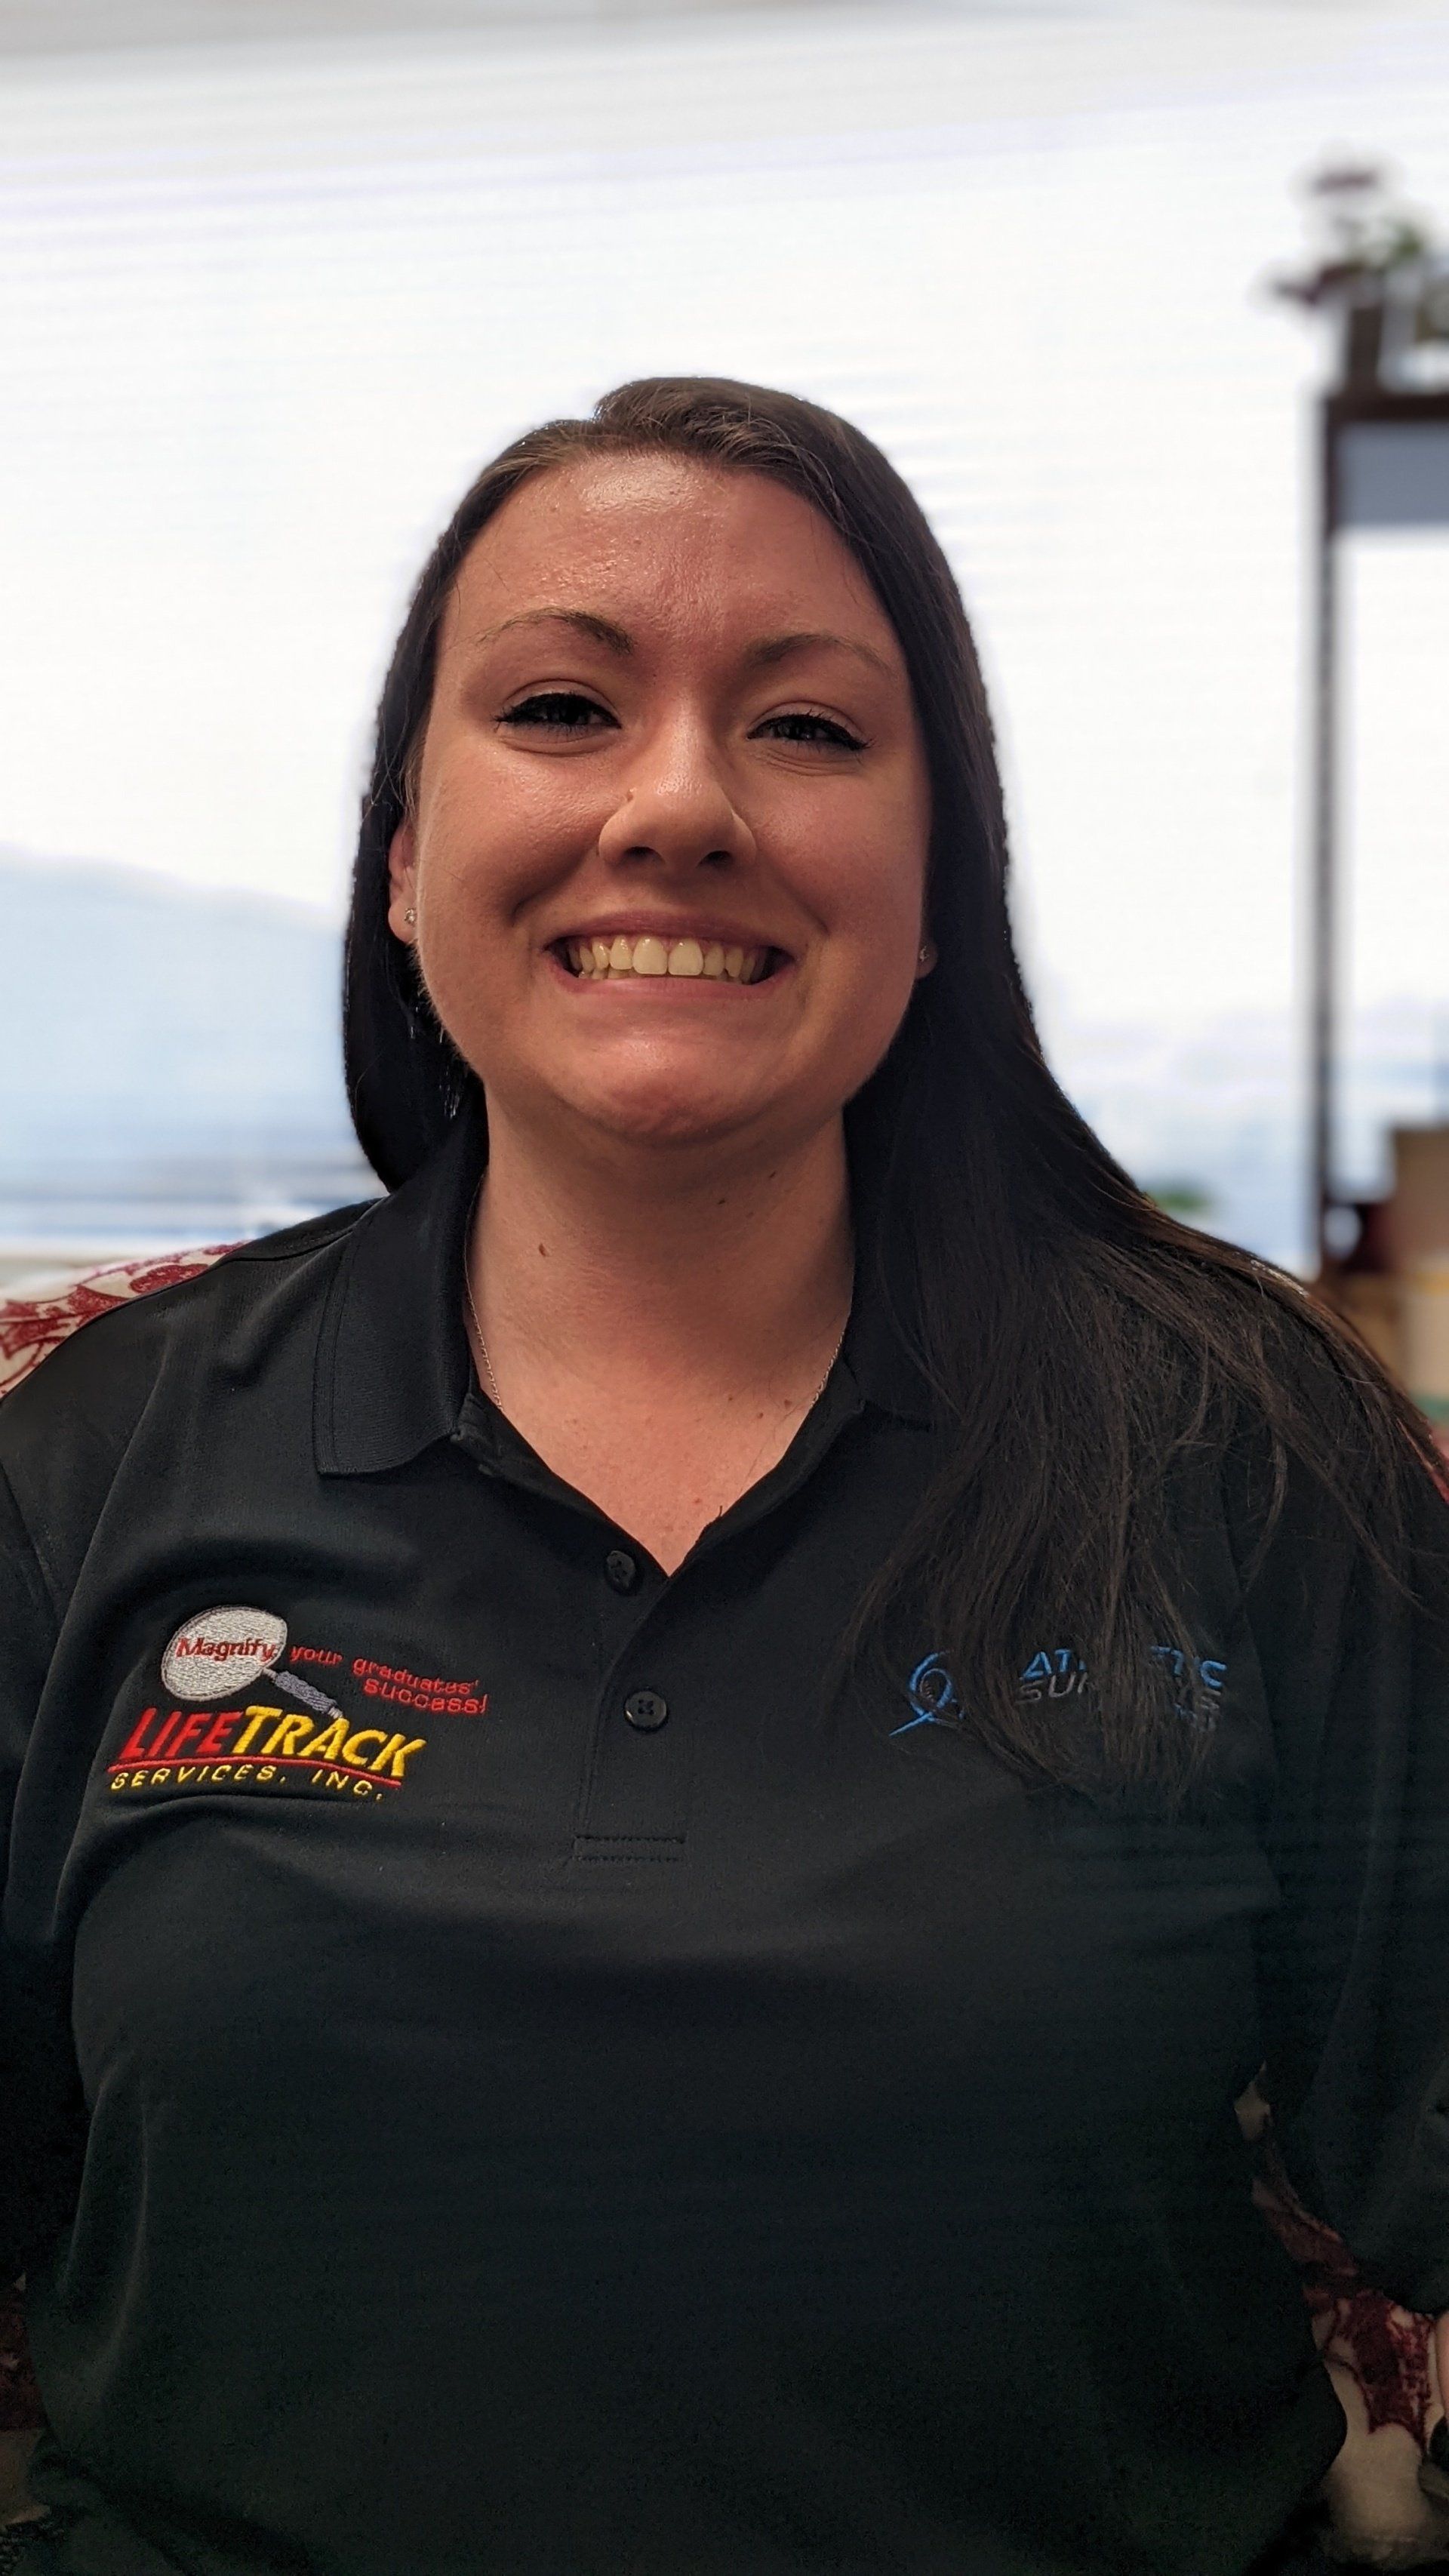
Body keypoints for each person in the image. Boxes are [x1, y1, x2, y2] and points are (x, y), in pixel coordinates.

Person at [2, 375, 1447, 2576]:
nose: (676, 805)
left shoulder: (1243, 1445)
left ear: (937, 886)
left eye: (806, 729)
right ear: (403, 860)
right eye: (565, 707)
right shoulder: (90, 1457)